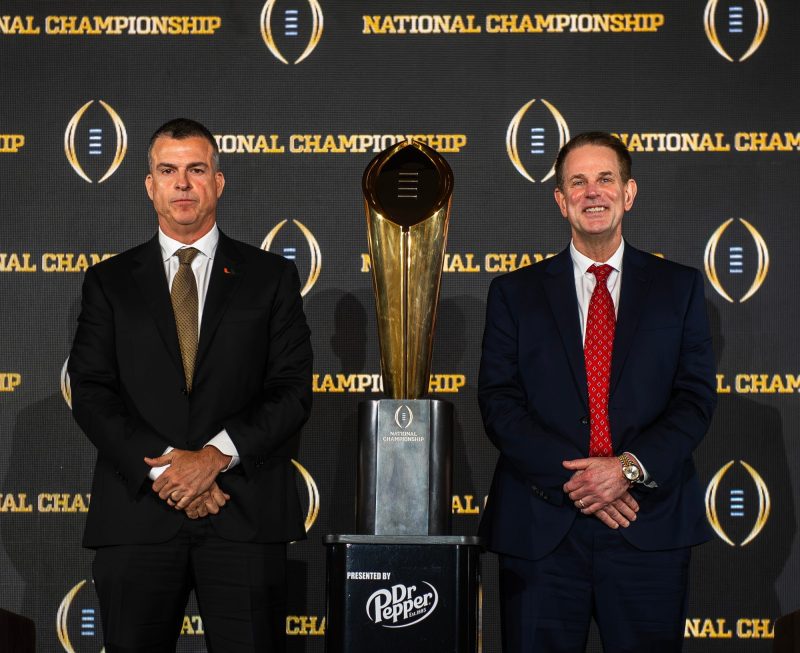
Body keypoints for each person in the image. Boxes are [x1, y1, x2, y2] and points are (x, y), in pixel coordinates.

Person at [68, 118, 313, 652]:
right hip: (138, 517)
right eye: (168, 170)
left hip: (243, 515)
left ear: (217, 182)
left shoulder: (271, 277)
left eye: (196, 169)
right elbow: (90, 392)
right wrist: (170, 470)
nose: (182, 183)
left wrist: (214, 458)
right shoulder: (108, 282)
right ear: (149, 184)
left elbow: (291, 390)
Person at [478, 132, 716, 652]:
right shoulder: (514, 293)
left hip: (647, 523)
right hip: (542, 527)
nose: (593, 192)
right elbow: (499, 402)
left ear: (628, 193)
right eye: (578, 182)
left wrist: (625, 469)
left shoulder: (678, 288)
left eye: (605, 179)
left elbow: (694, 399)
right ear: (560, 200)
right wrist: (585, 480)